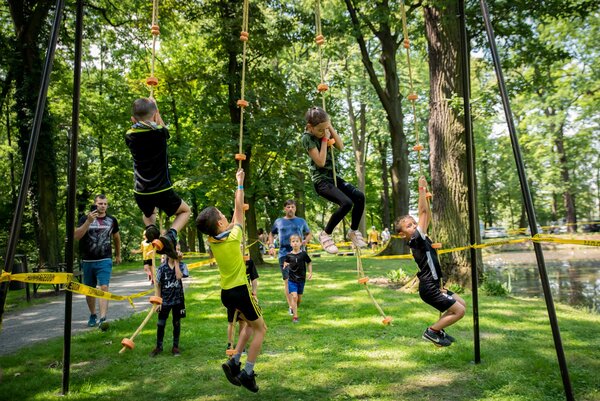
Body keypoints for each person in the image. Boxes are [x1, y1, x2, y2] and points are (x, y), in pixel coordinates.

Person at [196, 168, 266, 393]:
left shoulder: (212, 240)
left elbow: (235, 217)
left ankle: (234, 361)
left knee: (248, 325)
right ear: (219, 224)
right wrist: (239, 183)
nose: (227, 217)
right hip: (241, 291)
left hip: (226, 294)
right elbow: (238, 211)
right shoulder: (234, 236)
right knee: (261, 329)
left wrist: (236, 209)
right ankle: (248, 372)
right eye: (221, 215)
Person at [394, 176, 466, 347]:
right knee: (460, 311)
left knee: (461, 304)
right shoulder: (416, 240)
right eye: (409, 226)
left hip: (436, 285)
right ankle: (431, 331)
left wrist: (426, 199)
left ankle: (439, 330)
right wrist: (422, 189)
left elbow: (426, 215)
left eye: (414, 223)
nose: (414, 226)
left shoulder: (421, 238)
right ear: (402, 234)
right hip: (429, 288)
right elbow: (424, 213)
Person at [125, 98, 191, 260]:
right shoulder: (160, 133)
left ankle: (150, 228)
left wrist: (153, 112)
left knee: (148, 212)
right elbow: (162, 126)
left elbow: (143, 125)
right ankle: (171, 234)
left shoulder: (129, 135)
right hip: (162, 189)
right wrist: (157, 110)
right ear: (155, 115)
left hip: (141, 191)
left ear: (133, 119)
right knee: (185, 211)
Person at [302, 106, 367, 253]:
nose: (323, 132)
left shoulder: (324, 129)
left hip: (333, 178)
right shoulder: (307, 138)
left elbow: (341, 146)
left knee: (359, 196)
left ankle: (353, 231)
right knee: (346, 203)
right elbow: (320, 162)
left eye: (325, 129)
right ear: (310, 127)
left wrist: (329, 126)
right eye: (320, 130)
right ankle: (326, 234)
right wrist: (325, 139)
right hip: (321, 181)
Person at [74, 194, 121, 329]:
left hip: (105, 259)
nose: (103, 206)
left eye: (105, 204)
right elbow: (76, 236)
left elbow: (116, 237)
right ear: (95, 204)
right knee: (90, 290)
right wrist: (88, 222)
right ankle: (93, 314)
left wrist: (118, 255)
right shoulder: (84, 218)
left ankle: (103, 318)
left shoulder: (112, 220)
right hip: (87, 260)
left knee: (104, 287)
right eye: (100, 203)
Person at [268, 199, 312, 315]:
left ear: (295, 208)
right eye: (288, 207)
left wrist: (305, 241)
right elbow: (271, 233)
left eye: (292, 207)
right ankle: (291, 307)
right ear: (284, 209)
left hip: (299, 255)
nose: (290, 209)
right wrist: (271, 245)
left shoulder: (301, 221)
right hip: (284, 254)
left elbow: (309, 233)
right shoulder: (279, 221)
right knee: (287, 280)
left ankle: (295, 302)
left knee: (298, 281)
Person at [150, 249, 187, 357]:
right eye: (173, 251)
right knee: (160, 324)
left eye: (178, 250)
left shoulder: (182, 265)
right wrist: (158, 301)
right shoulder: (162, 268)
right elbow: (158, 285)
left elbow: (179, 276)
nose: (176, 252)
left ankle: (175, 346)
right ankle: (159, 347)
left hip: (178, 300)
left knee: (176, 323)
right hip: (165, 301)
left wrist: (177, 262)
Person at [227, 258, 259, 352]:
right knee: (232, 322)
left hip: (246, 295)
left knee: (243, 321)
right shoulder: (231, 260)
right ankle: (230, 345)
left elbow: (254, 279)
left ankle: (241, 345)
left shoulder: (249, 261)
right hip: (232, 294)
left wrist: (254, 293)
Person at [283, 234, 313, 323]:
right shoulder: (288, 255)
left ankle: (294, 307)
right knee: (294, 296)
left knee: (299, 299)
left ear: (300, 243)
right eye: (293, 241)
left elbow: (309, 262)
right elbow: (285, 261)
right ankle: (295, 317)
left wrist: (310, 273)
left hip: (301, 280)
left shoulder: (303, 254)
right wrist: (285, 264)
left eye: (297, 241)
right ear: (290, 244)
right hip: (292, 280)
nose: (295, 243)